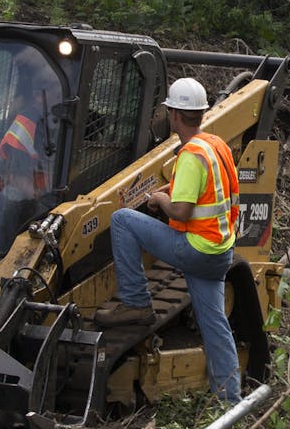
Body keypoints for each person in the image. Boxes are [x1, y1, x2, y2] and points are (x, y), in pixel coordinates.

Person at [94, 77, 243, 403]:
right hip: (219, 252)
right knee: (216, 328)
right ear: (201, 114)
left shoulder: (190, 155)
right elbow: (202, 191)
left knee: (122, 221)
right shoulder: (215, 145)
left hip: (195, 248)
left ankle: (135, 303)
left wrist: (159, 201)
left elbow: (183, 210)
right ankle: (231, 404)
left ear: (174, 114)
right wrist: (168, 191)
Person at [0, 76, 54, 249]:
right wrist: (38, 194)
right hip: (36, 192)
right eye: (42, 94)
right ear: (36, 96)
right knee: (9, 197)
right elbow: (16, 175)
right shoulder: (27, 121)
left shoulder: (64, 117)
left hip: (59, 189)